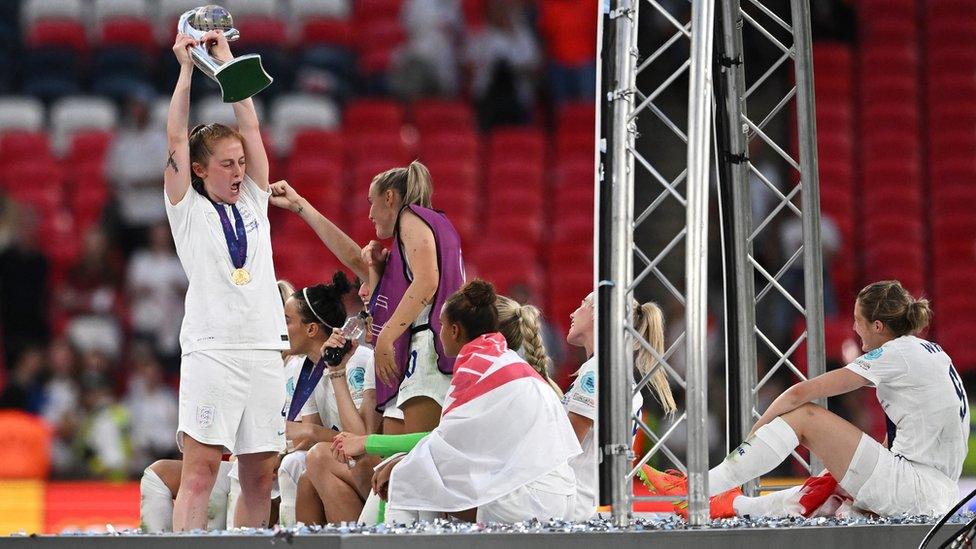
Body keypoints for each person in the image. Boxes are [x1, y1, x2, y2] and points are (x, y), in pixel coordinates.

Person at [643, 280, 970, 519]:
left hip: (916, 490)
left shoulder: (895, 353)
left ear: (879, 326)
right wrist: (841, 477)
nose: (855, 328)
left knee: (804, 416)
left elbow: (800, 393)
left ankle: (698, 486)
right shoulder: (931, 353)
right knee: (825, 491)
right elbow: (904, 435)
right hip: (934, 491)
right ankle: (733, 505)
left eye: (858, 321)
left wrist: (757, 431)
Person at [164, 30, 289, 531]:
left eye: (241, 163)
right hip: (213, 349)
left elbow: (252, 129)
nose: (239, 171)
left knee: (260, 476)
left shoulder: (255, 199)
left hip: (264, 347)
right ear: (198, 169)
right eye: (227, 164)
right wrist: (188, 69)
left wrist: (228, 62)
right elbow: (174, 137)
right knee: (200, 473)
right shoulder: (186, 209)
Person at [333, 281, 581, 524]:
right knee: (414, 473)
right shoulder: (501, 359)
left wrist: (371, 446)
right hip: (556, 493)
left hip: (530, 499)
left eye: (440, 326)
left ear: (454, 331)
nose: (438, 334)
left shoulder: (477, 368)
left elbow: (443, 442)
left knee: (404, 479)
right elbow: (455, 444)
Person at [270, 161, 464, 435]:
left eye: (372, 202)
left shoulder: (411, 217)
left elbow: (427, 281)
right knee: (394, 462)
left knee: (412, 459)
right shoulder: (417, 238)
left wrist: (385, 336)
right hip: (418, 351)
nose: (370, 214)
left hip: (428, 349)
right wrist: (301, 206)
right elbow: (352, 257)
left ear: (390, 198)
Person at [562, 292, 677, 521]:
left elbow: (564, 444)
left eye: (582, 305)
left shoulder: (598, 371)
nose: (573, 313)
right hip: (587, 504)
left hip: (574, 508)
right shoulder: (614, 371)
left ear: (598, 315)